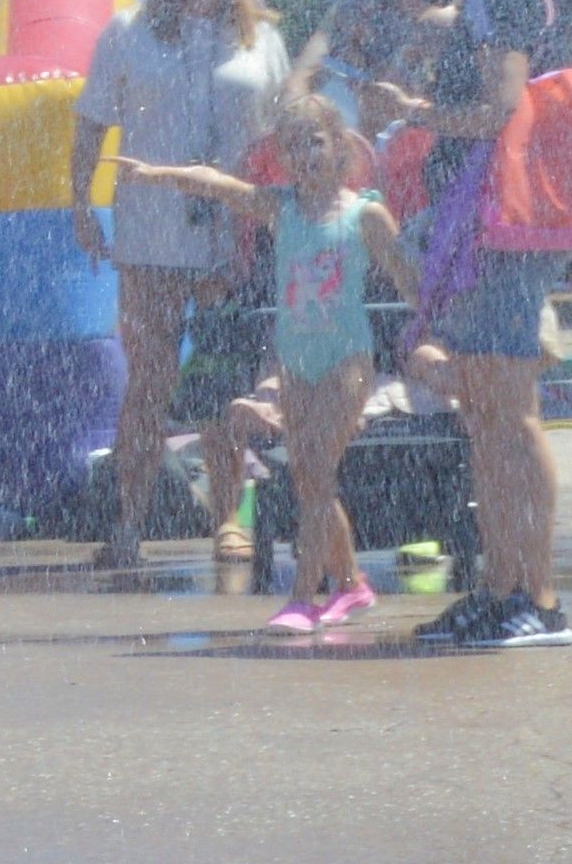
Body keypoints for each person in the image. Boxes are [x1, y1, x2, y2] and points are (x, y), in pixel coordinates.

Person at [384, 0, 572, 652]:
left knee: (508, 413)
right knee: (491, 418)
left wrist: (417, 113)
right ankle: (501, 588)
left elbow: (502, 107)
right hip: (481, 222)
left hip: (500, 223)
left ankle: (538, 597)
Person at [74, 0, 288, 582]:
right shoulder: (129, 31)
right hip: (151, 231)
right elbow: (92, 122)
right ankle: (129, 521)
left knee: (230, 378)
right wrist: (80, 200)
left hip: (237, 232)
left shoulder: (261, 38)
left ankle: (231, 517)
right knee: (151, 381)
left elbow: (284, 133)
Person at [135, 89, 403, 635]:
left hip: (346, 359)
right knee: (310, 478)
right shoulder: (280, 209)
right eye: (295, 146)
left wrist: (437, 338)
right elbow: (220, 187)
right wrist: (158, 173)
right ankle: (351, 585)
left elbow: (411, 278)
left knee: (317, 475)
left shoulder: (364, 214)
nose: (306, 155)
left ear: (340, 147)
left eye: (316, 142)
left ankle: (304, 597)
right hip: (296, 360)